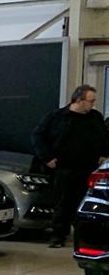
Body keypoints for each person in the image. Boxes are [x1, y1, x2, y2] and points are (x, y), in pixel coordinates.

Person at [31, 84, 109, 248]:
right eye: (90, 101)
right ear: (78, 100)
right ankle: (58, 235)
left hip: (88, 168)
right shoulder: (57, 117)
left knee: (86, 203)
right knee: (63, 203)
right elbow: (38, 136)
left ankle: (84, 237)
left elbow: (105, 137)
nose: (92, 104)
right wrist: (47, 158)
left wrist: (104, 153)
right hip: (64, 167)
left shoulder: (95, 117)